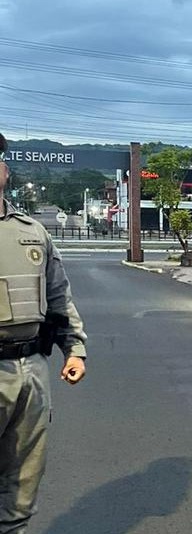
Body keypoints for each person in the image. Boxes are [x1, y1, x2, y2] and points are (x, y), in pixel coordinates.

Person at [1, 131, 88, 533]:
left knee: (23, 480)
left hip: (31, 369)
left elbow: (58, 297)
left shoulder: (32, 230)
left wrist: (74, 349)